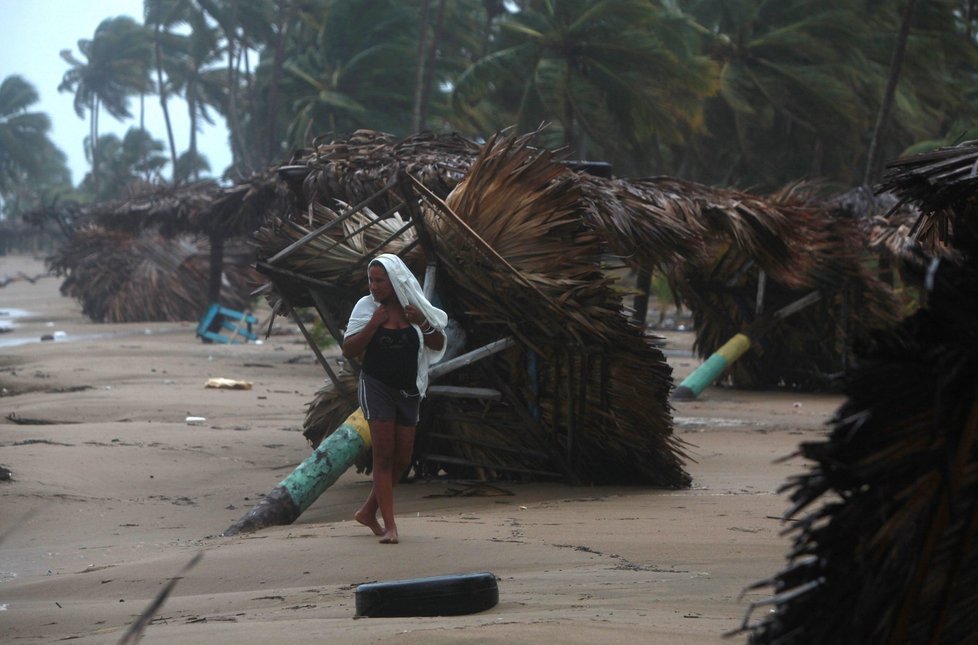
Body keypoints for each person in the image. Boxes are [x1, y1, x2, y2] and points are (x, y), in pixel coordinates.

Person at [342, 253, 447, 543]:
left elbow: (438, 343)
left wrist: (423, 323)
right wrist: (374, 324)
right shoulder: (366, 307)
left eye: (379, 280)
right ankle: (390, 526)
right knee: (384, 454)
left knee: (403, 458)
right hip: (376, 387)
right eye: (370, 280)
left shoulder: (414, 307)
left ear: (395, 281)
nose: (373, 286)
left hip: (409, 390)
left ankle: (367, 511)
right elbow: (349, 349)